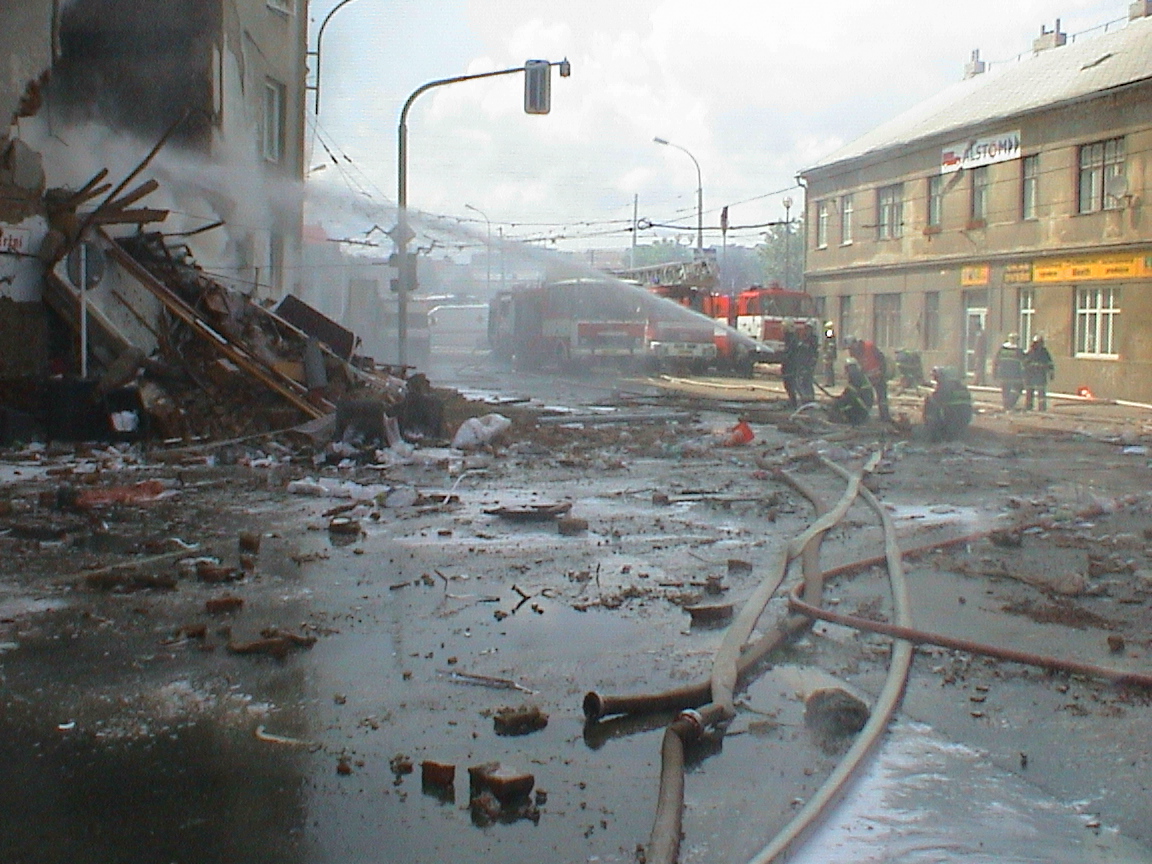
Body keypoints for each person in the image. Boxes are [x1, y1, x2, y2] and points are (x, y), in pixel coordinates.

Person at [923, 366, 972, 441]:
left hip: (952, 418)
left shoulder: (944, 386)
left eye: (936, 378)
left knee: (929, 401)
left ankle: (934, 430)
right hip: (966, 418)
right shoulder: (962, 386)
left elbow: (936, 400)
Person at [847, 337, 890, 422]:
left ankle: (885, 417)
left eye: (851, 347)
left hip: (878, 376)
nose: (850, 350)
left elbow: (881, 358)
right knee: (864, 397)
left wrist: (882, 372)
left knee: (882, 398)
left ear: (855, 343)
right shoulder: (853, 352)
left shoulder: (869, 346)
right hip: (867, 379)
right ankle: (863, 415)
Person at [831, 357, 874, 425]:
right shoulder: (857, 374)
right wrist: (841, 396)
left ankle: (850, 419)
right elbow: (849, 390)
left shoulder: (854, 375)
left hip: (862, 404)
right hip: (864, 403)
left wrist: (840, 400)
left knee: (843, 406)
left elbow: (851, 394)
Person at [1023, 334, 1055, 411]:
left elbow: (1049, 363)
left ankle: (1042, 407)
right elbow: (1024, 363)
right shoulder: (1030, 351)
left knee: (1041, 392)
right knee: (1030, 391)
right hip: (1031, 375)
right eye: (1038, 343)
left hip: (1040, 375)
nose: (1040, 344)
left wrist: (1051, 373)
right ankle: (1028, 406)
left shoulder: (1044, 352)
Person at [993, 333, 1025, 410]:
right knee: (1018, 388)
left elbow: (996, 362)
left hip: (1003, 374)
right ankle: (1010, 404)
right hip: (1015, 375)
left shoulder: (1002, 349)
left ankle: (1006, 405)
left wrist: (995, 373)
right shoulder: (1018, 351)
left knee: (1005, 391)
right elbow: (1024, 362)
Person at [796, 327, 819, 405]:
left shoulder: (813, 339)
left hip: (809, 364)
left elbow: (813, 352)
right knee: (803, 381)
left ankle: (810, 398)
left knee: (807, 381)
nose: (807, 330)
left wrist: (811, 364)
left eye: (809, 329)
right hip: (803, 363)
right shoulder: (804, 338)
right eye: (806, 328)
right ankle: (806, 398)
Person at [781, 319, 800, 408]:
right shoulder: (789, 338)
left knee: (790, 384)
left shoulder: (792, 338)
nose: (782, 330)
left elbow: (790, 352)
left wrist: (785, 357)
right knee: (788, 384)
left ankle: (794, 403)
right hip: (788, 365)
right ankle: (792, 402)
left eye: (783, 327)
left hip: (790, 366)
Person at [821, 321, 837, 387]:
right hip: (830, 354)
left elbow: (830, 344)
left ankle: (828, 382)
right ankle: (830, 382)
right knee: (829, 368)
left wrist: (827, 353)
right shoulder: (830, 333)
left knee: (827, 368)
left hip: (829, 355)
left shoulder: (829, 333)